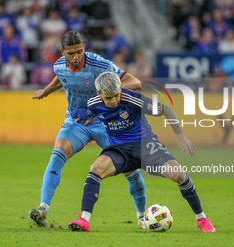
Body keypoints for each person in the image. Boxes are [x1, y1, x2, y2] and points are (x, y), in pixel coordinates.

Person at [67, 72, 216, 233]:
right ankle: (84, 220)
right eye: (109, 98)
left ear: (120, 89)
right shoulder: (93, 103)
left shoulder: (133, 100)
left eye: (116, 95)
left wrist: (181, 137)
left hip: (146, 145)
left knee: (179, 175)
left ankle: (202, 220)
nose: (114, 101)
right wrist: (81, 117)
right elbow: (87, 112)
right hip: (120, 149)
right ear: (99, 94)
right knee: (96, 168)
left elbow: (167, 110)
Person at [28, 31, 147, 228]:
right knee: (58, 154)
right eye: (71, 53)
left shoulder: (100, 65)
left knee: (131, 171)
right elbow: (61, 78)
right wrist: (45, 92)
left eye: (80, 52)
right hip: (77, 121)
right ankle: (43, 209)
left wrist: (96, 105)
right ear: (62, 52)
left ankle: (142, 216)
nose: (76, 57)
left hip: (106, 122)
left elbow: (135, 83)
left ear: (85, 48)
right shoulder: (58, 65)